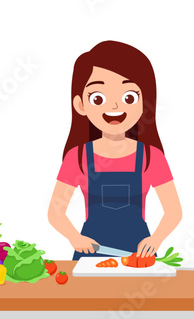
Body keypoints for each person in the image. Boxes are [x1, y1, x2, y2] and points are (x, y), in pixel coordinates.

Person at [48, 41, 182, 260]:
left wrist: (155, 240)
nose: (114, 107)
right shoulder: (78, 157)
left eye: (128, 97)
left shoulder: (151, 157)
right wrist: (75, 238)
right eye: (98, 98)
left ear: (143, 102)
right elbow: (55, 212)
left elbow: (174, 211)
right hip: (90, 254)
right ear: (81, 104)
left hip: (139, 253)